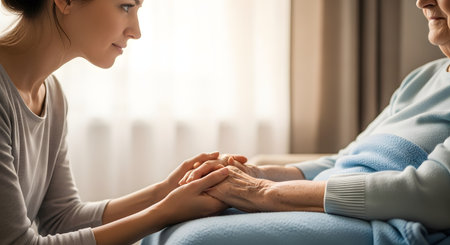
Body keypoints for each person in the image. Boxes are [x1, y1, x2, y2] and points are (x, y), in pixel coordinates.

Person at [143, 0, 450, 244]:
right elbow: (346, 159)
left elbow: (431, 194)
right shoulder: (423, 78)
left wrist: (262, 191)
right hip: (337, 206)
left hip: (386, 222)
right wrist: (256, 173)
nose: (422, 1)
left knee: (191, 240)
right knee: (169, 220)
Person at [0, 0, 248, 244]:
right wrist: (165, 212)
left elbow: (61, 218)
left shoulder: (52, 96)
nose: (136, 32)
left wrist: (165, 191)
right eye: (126, 6)